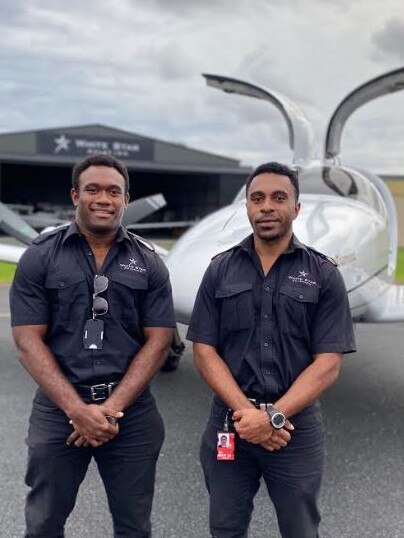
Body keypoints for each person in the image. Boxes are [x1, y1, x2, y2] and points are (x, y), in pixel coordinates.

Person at [10, 153, 175, 538]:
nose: (104, 198)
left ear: (125, 199)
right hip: (58, 409)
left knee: (134, 525)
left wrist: (112, 409)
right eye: (94, 189)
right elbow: (26, 339)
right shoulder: (40, 256)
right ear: (75, 195)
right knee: (44, 522)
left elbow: (160, 339)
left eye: (114, 191)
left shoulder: (149, 263)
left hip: (131, 413)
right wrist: (76, 409)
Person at [187, 162, 356, 538]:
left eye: (279, 198)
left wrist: (274, 417)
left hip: (294, 427)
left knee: (300, 529)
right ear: (247, 207)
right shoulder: (219, 270)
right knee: (225, 527)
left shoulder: (323, 274)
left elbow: (328, 363)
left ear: (296, 208)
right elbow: (204, 351)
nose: (266, 206)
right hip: (231, 423)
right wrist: (249, 414)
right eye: (257, 198)